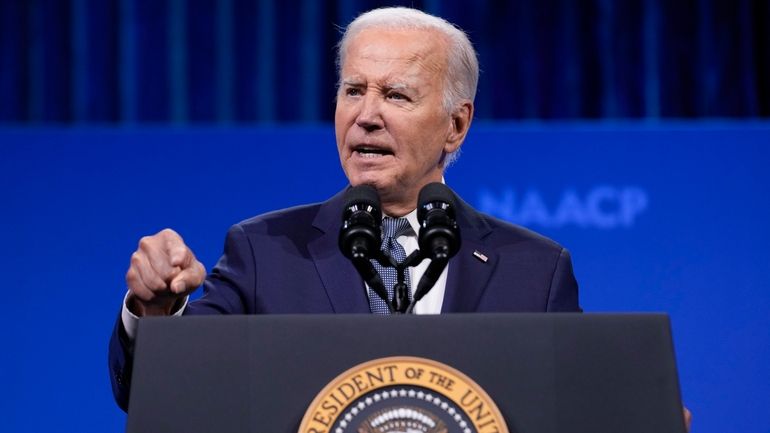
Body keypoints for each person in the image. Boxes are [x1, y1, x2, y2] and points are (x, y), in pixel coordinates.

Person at [109, 6, 580, 411]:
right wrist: (157, 310)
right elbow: (175, 393)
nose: (366, 115)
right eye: (354, 90)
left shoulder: (535, 271)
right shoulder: (264, 251)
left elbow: (575, 413)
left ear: (456, 124)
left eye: (396, 95)